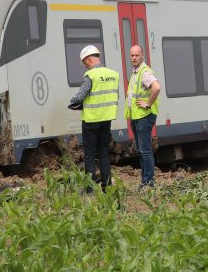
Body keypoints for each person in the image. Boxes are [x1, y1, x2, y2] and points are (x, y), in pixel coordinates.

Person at [69, 45, 119, 192]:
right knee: (103, 153)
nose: (85, 67)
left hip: (91, 121)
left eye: (85, 63)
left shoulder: (90, 76)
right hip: (106, 120)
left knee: (90, 155)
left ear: (89, 59)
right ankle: (107, 186)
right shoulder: (113, 74)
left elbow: (80, 96)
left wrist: (72, 101)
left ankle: (89, 189)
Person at [125, 44, 161, 189]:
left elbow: (156, 87)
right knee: (141, 150)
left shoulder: (144, 72)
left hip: (144, 116)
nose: (134, 57)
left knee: (145, 150)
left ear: (142, 56)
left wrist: (148, 103)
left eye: (137, 55)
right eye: (132, 55)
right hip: (137, 116)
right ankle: (145, 181)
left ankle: (148, 182)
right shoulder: (135, 72)